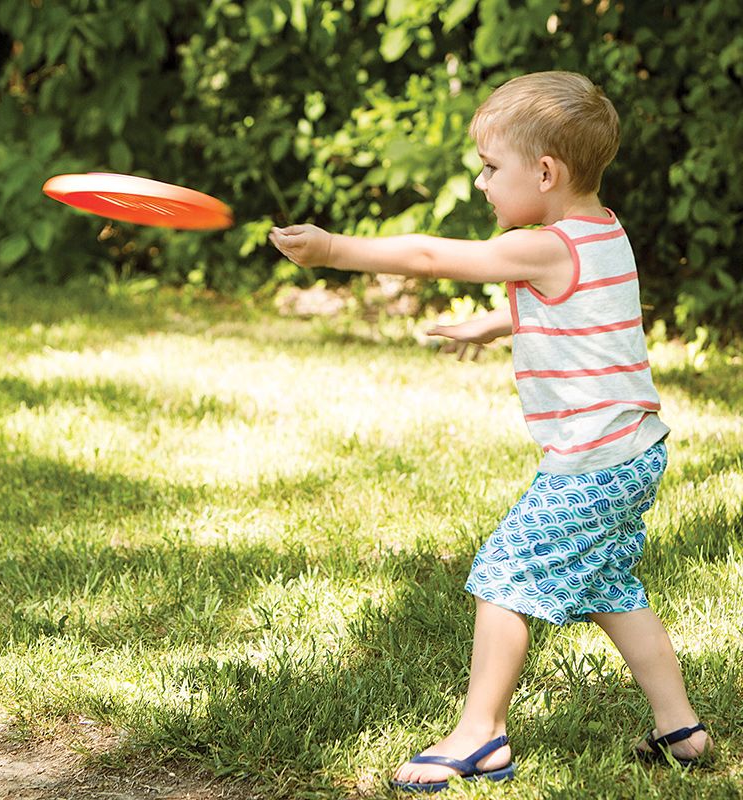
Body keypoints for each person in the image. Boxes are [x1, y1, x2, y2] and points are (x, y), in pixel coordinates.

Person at [269, 71, 713, 792]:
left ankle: (481, 733)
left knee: (503, 574)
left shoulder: (543, 246)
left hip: (592, 460)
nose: (480, 184)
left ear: (545, 172)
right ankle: (680, 729)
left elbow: (428, 257)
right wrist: (501, 319)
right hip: (635, 450)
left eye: (489, 168)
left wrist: (332, 252)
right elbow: (584, 312)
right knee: (607, 585)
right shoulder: (604, 231)